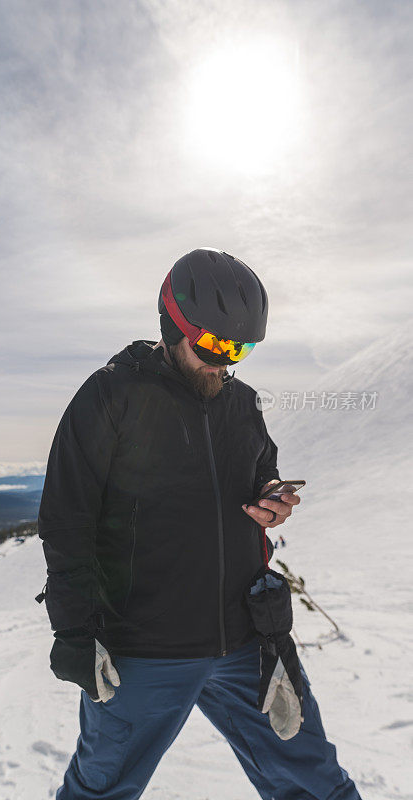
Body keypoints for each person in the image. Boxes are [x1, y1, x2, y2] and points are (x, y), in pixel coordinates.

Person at [37, 248, 362, 800]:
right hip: (142, 652)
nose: (225, 360)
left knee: (313, 782)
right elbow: (67, 520)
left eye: (242, 347)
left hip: (250, 641)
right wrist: (73, 632)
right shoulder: (111, 396)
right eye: (214, 343)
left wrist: (271, 500)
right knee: (102, 790)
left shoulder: (243, 403)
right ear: (173, 323)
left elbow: (259, 476)